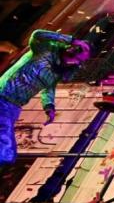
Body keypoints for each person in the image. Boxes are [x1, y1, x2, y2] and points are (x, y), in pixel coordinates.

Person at [0, 30, 90, 165]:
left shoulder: (57, 73)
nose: (74, 53)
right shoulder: (44, 50)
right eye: (75, 50)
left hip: (14, 106)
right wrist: (71, 39)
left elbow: (48, 89)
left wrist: (49, 107)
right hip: (3, 95)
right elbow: (37, 34)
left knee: (7, 151)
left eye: (78, 55)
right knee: (6, 151)